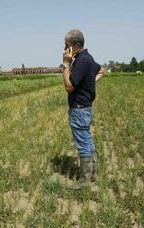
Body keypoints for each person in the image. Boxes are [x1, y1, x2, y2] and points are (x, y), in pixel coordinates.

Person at [61, 29, 105, 189]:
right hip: (85, 107)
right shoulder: (88, 58)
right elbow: (101, 70)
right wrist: (89, 83)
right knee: (87, 139)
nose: (64, 48)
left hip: (79, 109)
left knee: (83, 143)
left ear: (74, 45)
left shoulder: (81, 61)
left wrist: (65, 65)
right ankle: (93, 173)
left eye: (66, 45)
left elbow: (68, 86)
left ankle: (85, 180)